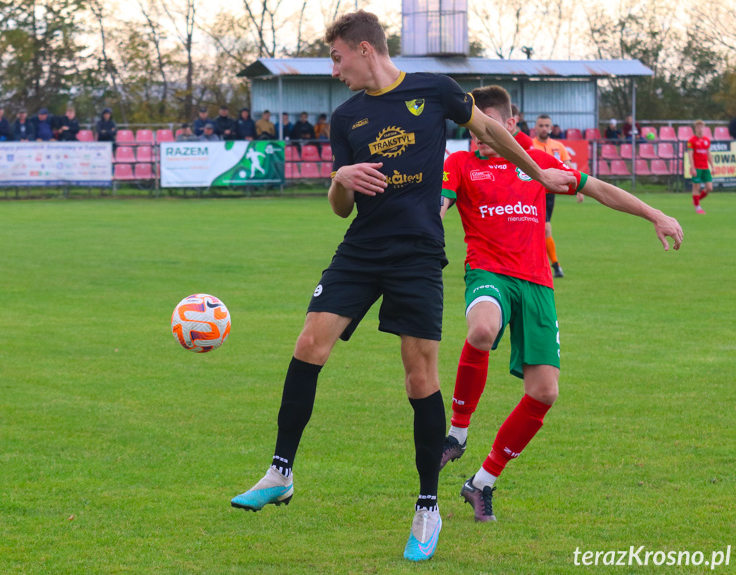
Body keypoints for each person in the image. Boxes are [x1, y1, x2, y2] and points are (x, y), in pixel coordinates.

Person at [229, 10, 575, 563]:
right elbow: (341, 207)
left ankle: (427, 507)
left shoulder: (433, 91)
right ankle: (280, 471)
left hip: (416, 256)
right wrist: (338, 179)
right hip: (362, 250)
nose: (335, 70)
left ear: (365, 49)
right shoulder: (345, 118)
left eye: (337, 58)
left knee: (419, 378)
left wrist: (537, 172)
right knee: (307, 345)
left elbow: (488, 130)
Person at [438, 85, 683, 524]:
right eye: (473, 128)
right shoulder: (458, 164)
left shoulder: (540, 165)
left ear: (509, 125)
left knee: (544, 393)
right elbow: (439, 204)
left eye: (487, 126)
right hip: (488, 274)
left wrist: (656, 214)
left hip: (537, 285)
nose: (479, 135)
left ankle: (482, 482)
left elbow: (602, 190)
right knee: (481, 329)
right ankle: (457, 432)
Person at [532, 114, 579, 278]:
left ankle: (546, 265)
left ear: (551, 128)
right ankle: (556, 266)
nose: (544, 128)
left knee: (542, 230)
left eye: (547, 125)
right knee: (543, 228)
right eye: (541, 125)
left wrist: (578, 187)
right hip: (533, 192)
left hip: (550, 194)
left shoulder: (558, 146)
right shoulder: (530, 146)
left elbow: (568, 167)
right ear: (536, 128)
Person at [686, 120, 714, 214]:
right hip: (697, 167)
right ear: (695, 128)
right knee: (696, 188)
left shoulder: (707, 140)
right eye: (698, 127)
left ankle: (696, 200)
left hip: (705, 167)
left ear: (704, 128)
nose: (700, 129)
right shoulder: (692, 140)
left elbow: (709, 154)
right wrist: (692, 167)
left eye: (702, 127)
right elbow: (690, 154)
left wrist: (712, 166)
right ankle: (698, 207)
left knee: (709, 187)